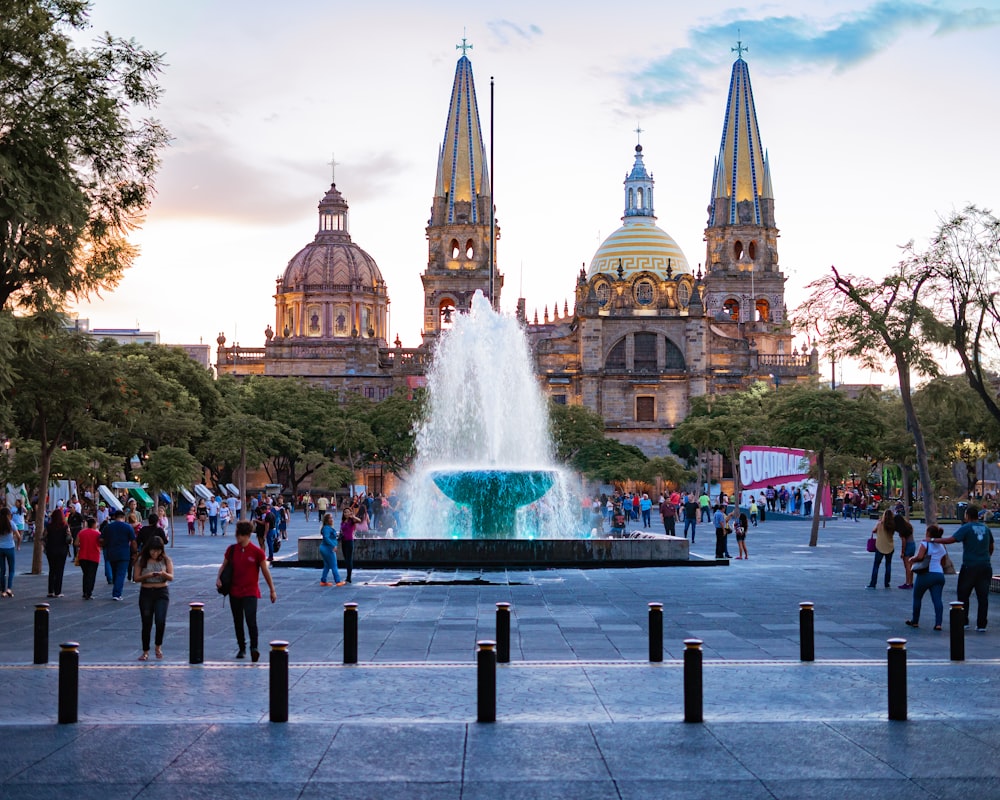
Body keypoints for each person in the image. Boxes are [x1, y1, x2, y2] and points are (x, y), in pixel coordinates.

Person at [216, 521, 277, 661]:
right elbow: (223, 566)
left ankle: (254, 648)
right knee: (237, 621)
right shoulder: (231, 550)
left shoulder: (257, 552)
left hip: (251, 591)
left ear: (248, 535)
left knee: (251, 620)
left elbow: (265, 572)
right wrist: (218, 578)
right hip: (234, 591)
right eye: (238, 534)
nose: (238, 538)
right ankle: (242, 647)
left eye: (241, 535)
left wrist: (272, 590)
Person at [932, 505, 995, 632]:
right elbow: (991, 546)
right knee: (983, 597)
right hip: (985, 566)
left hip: (970, 565)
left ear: (967, 516)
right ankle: (982, 624)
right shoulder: (986, 528)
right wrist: (986, 557)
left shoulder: (966, 528)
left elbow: (952, 539)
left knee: (963, 594)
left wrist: (933, 540)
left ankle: (964, 621)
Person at [133, 536, 173, 660]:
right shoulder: (142, 560)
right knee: (146, 622)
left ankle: (158, 647)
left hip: (162, 591)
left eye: (158, 550)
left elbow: (171, 576)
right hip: (146, 591)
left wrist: (163, 574)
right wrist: (148, 575)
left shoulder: (166, 560)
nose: (155, 553)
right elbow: (136, 578)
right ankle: (145, 650)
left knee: (160, 621)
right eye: (152, 550)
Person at [905, 524, 948, 630]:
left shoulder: (925, 543)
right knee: (937, 600)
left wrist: (912, 559)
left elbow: (920, 557)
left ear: (928, 533)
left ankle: (915, 621)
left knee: (917, 597)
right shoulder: (942, 545)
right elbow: (943, 561)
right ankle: (938, 623)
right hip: (938, 574)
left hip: (925, 574)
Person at [100, 509, 137, 600]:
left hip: (111, 553)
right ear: (124, 517)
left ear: (114, 517)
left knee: (115, 572)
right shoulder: (128, 527)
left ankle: (116, 589)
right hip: (124, 553)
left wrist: (105, 545)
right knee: (121, 573)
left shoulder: (108, 527)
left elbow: (101, 539)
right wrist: (135, 552)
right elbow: (133, 541)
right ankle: (117, 594)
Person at [42, 507, 72, 597]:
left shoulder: (48, 526)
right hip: (62, 550)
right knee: (59, 571)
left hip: (51, 550)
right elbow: (69, 539)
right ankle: (58, 591)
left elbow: (44, 538)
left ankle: (50, 591)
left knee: (52, 570)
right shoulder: (65, 526)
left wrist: (45, 547)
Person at [867, 509, 895, 589]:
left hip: (880, 546)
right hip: (890, 546)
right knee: (888, 565)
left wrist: (878, 522)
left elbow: (873, 531)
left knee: (876, 565)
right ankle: (887, 583)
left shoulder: (880, 524)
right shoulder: (893, 525)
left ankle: (873, 583)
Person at [75, 516, 102, 599]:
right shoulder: (98, 534)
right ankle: (89, 592)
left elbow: (76, 543)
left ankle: (84, 591)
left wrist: (82, 544)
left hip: (83, 556)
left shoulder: (81, 532)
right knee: (91, 575)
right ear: (94, 524)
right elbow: (101, 543)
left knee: (85, 574)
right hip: (94, 556)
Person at [318, 512, 345, 586]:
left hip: (325, 548)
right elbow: (326, 538)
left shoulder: (327, 527)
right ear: (326, 520)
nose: (332, 519)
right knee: (334, 565)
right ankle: (338, 581)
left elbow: (330, 536)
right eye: (330, 518)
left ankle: (323, 580)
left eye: (332, 518)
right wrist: (334, 545)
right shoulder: (327, 528)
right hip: (328, 548)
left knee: (327, 565)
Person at [0, 507, 21, 598]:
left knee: (2, 570)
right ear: (9, 515)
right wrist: (18, 545)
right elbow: (19, 536)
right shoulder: (11, 524)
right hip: (10, 548)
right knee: (11, 569)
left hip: (0, 548)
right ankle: (9, 588)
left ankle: (2, 590)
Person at [895, 510, 916, 589]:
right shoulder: (908, 526)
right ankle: (911, 582)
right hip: (913, 544)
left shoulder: (902, 529)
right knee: (911, 565)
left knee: (907, 566)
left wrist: (902, 552)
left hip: (907, 545)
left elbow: (904, 541)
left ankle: (907, 583)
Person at [340, 501, 359, 583]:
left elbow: (359, 520)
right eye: (345, 512)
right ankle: (348, 575)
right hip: (343, 541)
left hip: (349, 541)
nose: (346, 513)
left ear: (350, 513)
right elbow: (342, 530)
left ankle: (349, 577)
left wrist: (353, 516)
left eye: (347, 512)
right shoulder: (343, 521)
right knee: (345, 559)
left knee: (349, 559)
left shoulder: (351, 521)